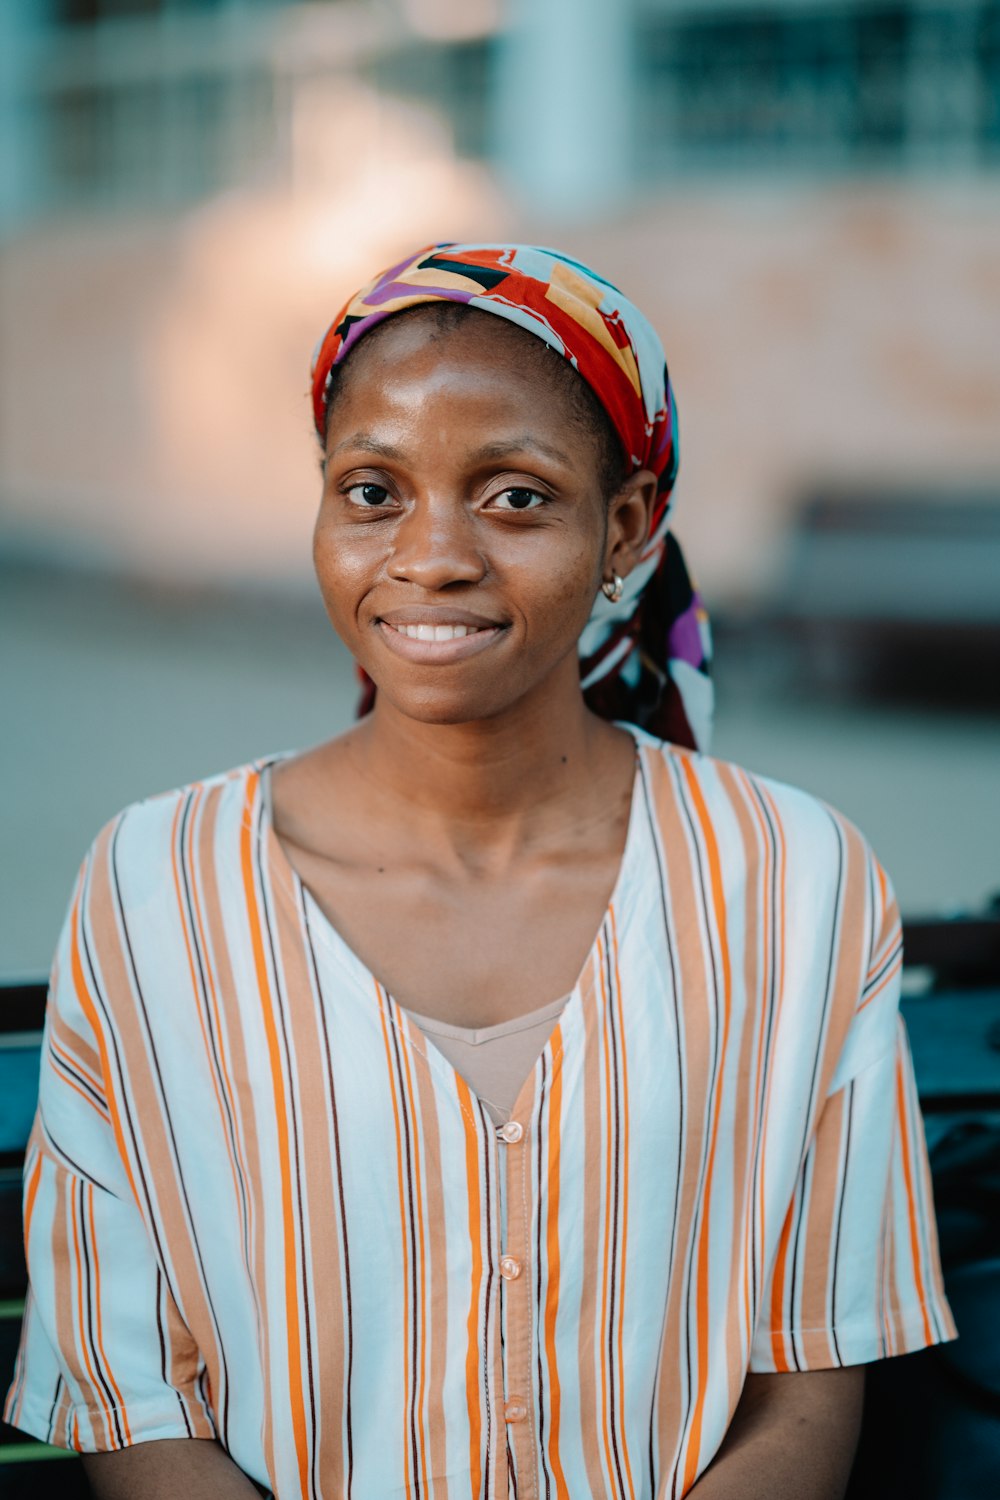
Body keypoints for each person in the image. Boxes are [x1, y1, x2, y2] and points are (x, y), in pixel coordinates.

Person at [5, 243, 956, 1500]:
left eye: (514, 496)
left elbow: (809, 1381)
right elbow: (127, 1394)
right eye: (372, 490)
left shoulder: (796, 879)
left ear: (627, 526)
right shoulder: (151, 887)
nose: (434, 555)